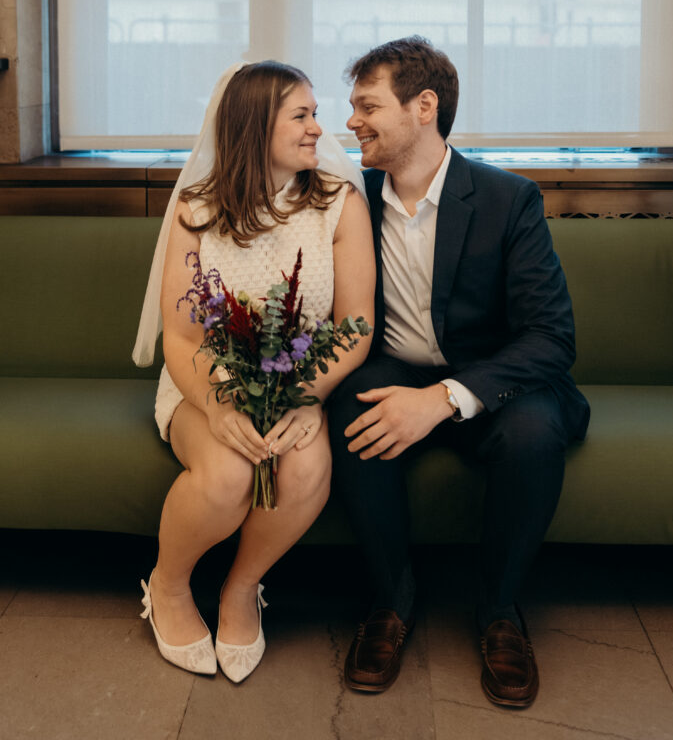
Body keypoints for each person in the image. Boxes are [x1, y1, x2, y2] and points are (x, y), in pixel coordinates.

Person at [327, 36, 590, 708]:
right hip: (389, 367)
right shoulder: (346, 200)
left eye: (365, 105)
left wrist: (445, 398)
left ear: (423, 106)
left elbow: (550, 337)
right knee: (349, 406)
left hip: (495, 382)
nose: (349, 120)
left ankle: (499, 611)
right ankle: (390, 601)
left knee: (534, 433)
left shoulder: (508, 201)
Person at [133, 61, 375, 681]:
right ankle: (168, 586)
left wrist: (307, 396)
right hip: (205, 383)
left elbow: (356, 325)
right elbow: (184, 336)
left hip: (299, 384)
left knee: (306, 469)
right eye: (302, 115)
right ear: (254, 124)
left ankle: (242, 588)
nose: (320, 129)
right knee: (227, 474)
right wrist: (218, 404)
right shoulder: (195, 209)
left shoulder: (339, 205)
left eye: (316, 114)